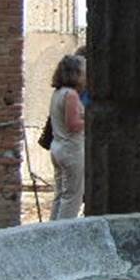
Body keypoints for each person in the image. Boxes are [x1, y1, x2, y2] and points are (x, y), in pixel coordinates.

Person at [48, 54, 86, 219]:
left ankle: (52, 230)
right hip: (71, 149)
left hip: (57, 147)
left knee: (60, 195)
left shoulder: (58, 93)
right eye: (84, 71)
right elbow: (73, 125)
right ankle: (65, 232)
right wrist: (92, 120)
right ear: (75, 73)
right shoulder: (70, 94)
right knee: (72, 197)